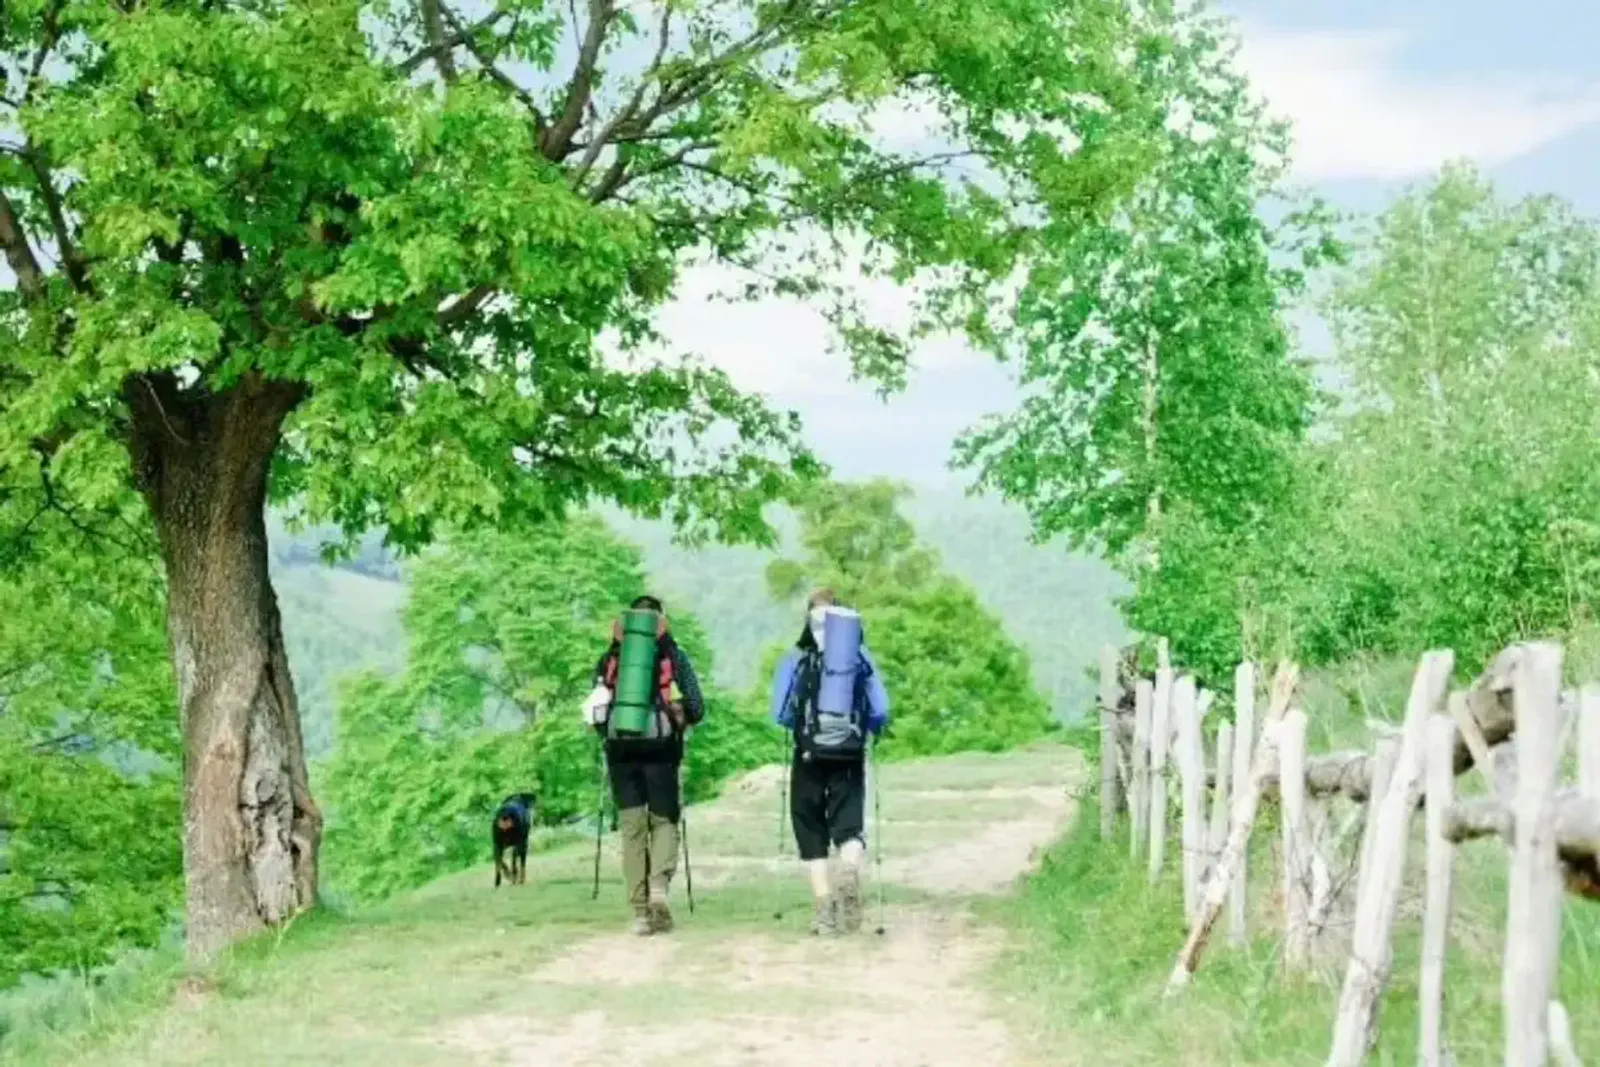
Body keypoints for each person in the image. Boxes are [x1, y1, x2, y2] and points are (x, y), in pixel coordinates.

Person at [770, 588, 890, 936]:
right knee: (849, 825)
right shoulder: (859, 656)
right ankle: (849, 870)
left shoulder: (795, 658)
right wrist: (867, 729)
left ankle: (824, 911)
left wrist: (804, 727)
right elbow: (881, 709)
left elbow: (781, 712)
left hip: (808, 754)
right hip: (849, 753)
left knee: (810, 829)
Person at [583, 595, 705, 936]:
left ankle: (640, 913)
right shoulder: (673, 656)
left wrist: (609, 737)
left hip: (620, 750)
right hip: (661, 749)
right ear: (661, 622)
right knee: (664, 821)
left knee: (632, 828)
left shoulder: (611, 657)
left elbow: (595, 710)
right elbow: (697, 706)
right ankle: (659, 889)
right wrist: (680, 720)